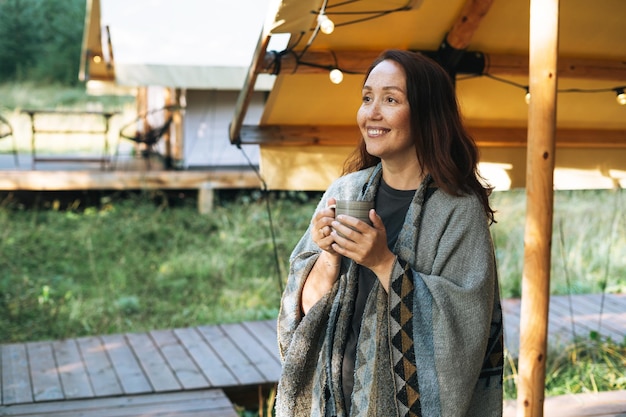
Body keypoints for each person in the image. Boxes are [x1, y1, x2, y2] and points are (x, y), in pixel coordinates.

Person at [276, 49, 503, 417]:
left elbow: (464, 330)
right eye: (367, 98)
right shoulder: (345, 192)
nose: (372, 113)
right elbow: (303, 314)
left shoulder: (457, 210)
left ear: (426, 114)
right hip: (334, 402)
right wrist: (329, 255)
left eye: (390, 99)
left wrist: (383, 263)